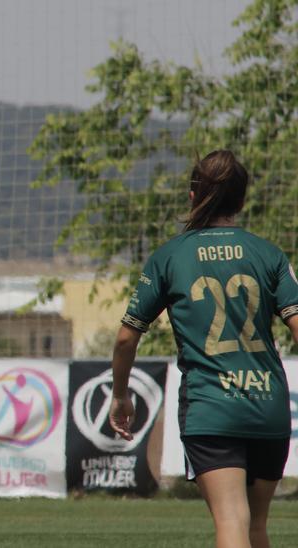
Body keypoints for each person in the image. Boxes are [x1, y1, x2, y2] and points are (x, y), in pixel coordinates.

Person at [110, 150, 298, 548]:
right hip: (269, 406)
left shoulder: (170, 256)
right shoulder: (269, 254)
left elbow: (127, 337)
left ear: (193, 195)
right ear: (242, 201)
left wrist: (121, 395)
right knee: (256, 528)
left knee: (231, 522)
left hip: (211, 408)